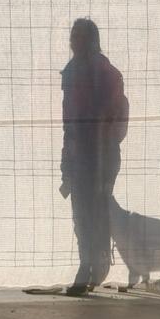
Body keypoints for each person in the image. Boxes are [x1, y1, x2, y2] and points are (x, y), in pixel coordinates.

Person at [60, 18, 128, 296]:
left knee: (95, 211)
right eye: (72, 36)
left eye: (79, 37)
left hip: (101, 154)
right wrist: (66, 158)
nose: (74, 42)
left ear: (91, 40)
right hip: (80, 154)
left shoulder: (105, 72)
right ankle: (88, 266)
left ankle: (94, 267)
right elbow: (68, 121)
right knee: (82, 212)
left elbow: (115, 117)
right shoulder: (72, 72)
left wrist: (103, 149)